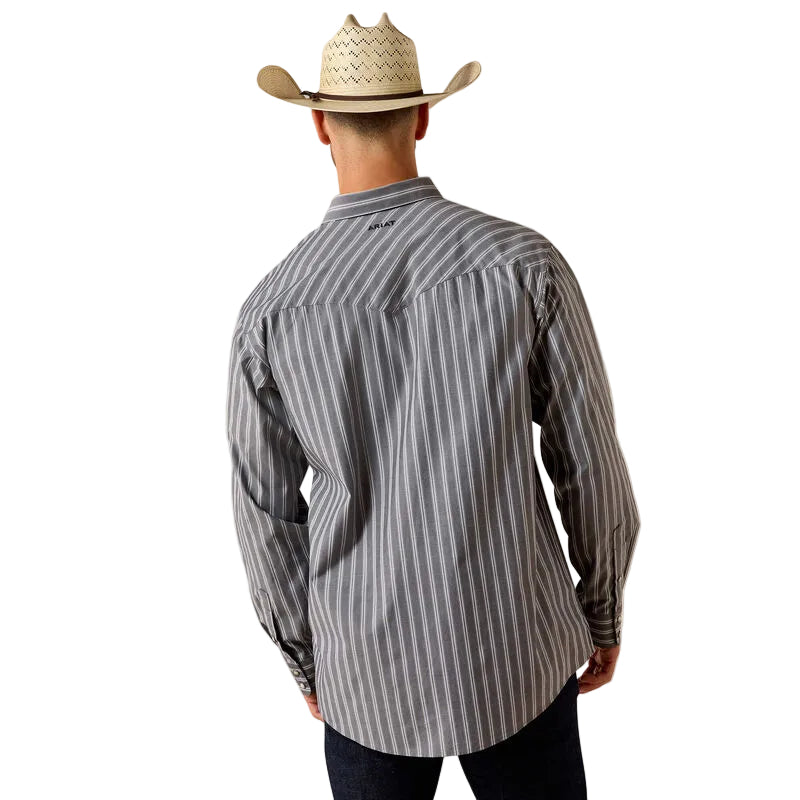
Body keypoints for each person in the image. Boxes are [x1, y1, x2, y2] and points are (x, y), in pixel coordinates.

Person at [225, 13, 641, 800]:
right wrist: (602, 608)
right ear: (422, 116)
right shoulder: (525, 265)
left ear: (318, 124)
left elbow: (265, 515)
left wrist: (307, 662)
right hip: (519, 653)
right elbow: (589, 462)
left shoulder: (271, 311)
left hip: (363, 671)